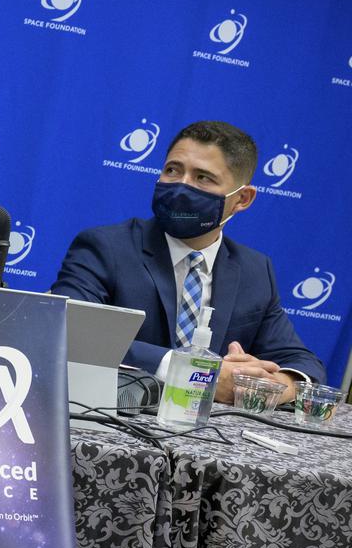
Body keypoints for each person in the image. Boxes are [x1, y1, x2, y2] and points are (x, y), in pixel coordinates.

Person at [52, 120, 325, 403]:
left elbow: (301, 362)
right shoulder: (106, 247)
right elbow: (71, 331)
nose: (181, 187)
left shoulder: (255, 270)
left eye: (203, 178)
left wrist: (268, 386)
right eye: (173, 170)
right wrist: (197, 376)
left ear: (242, 198)